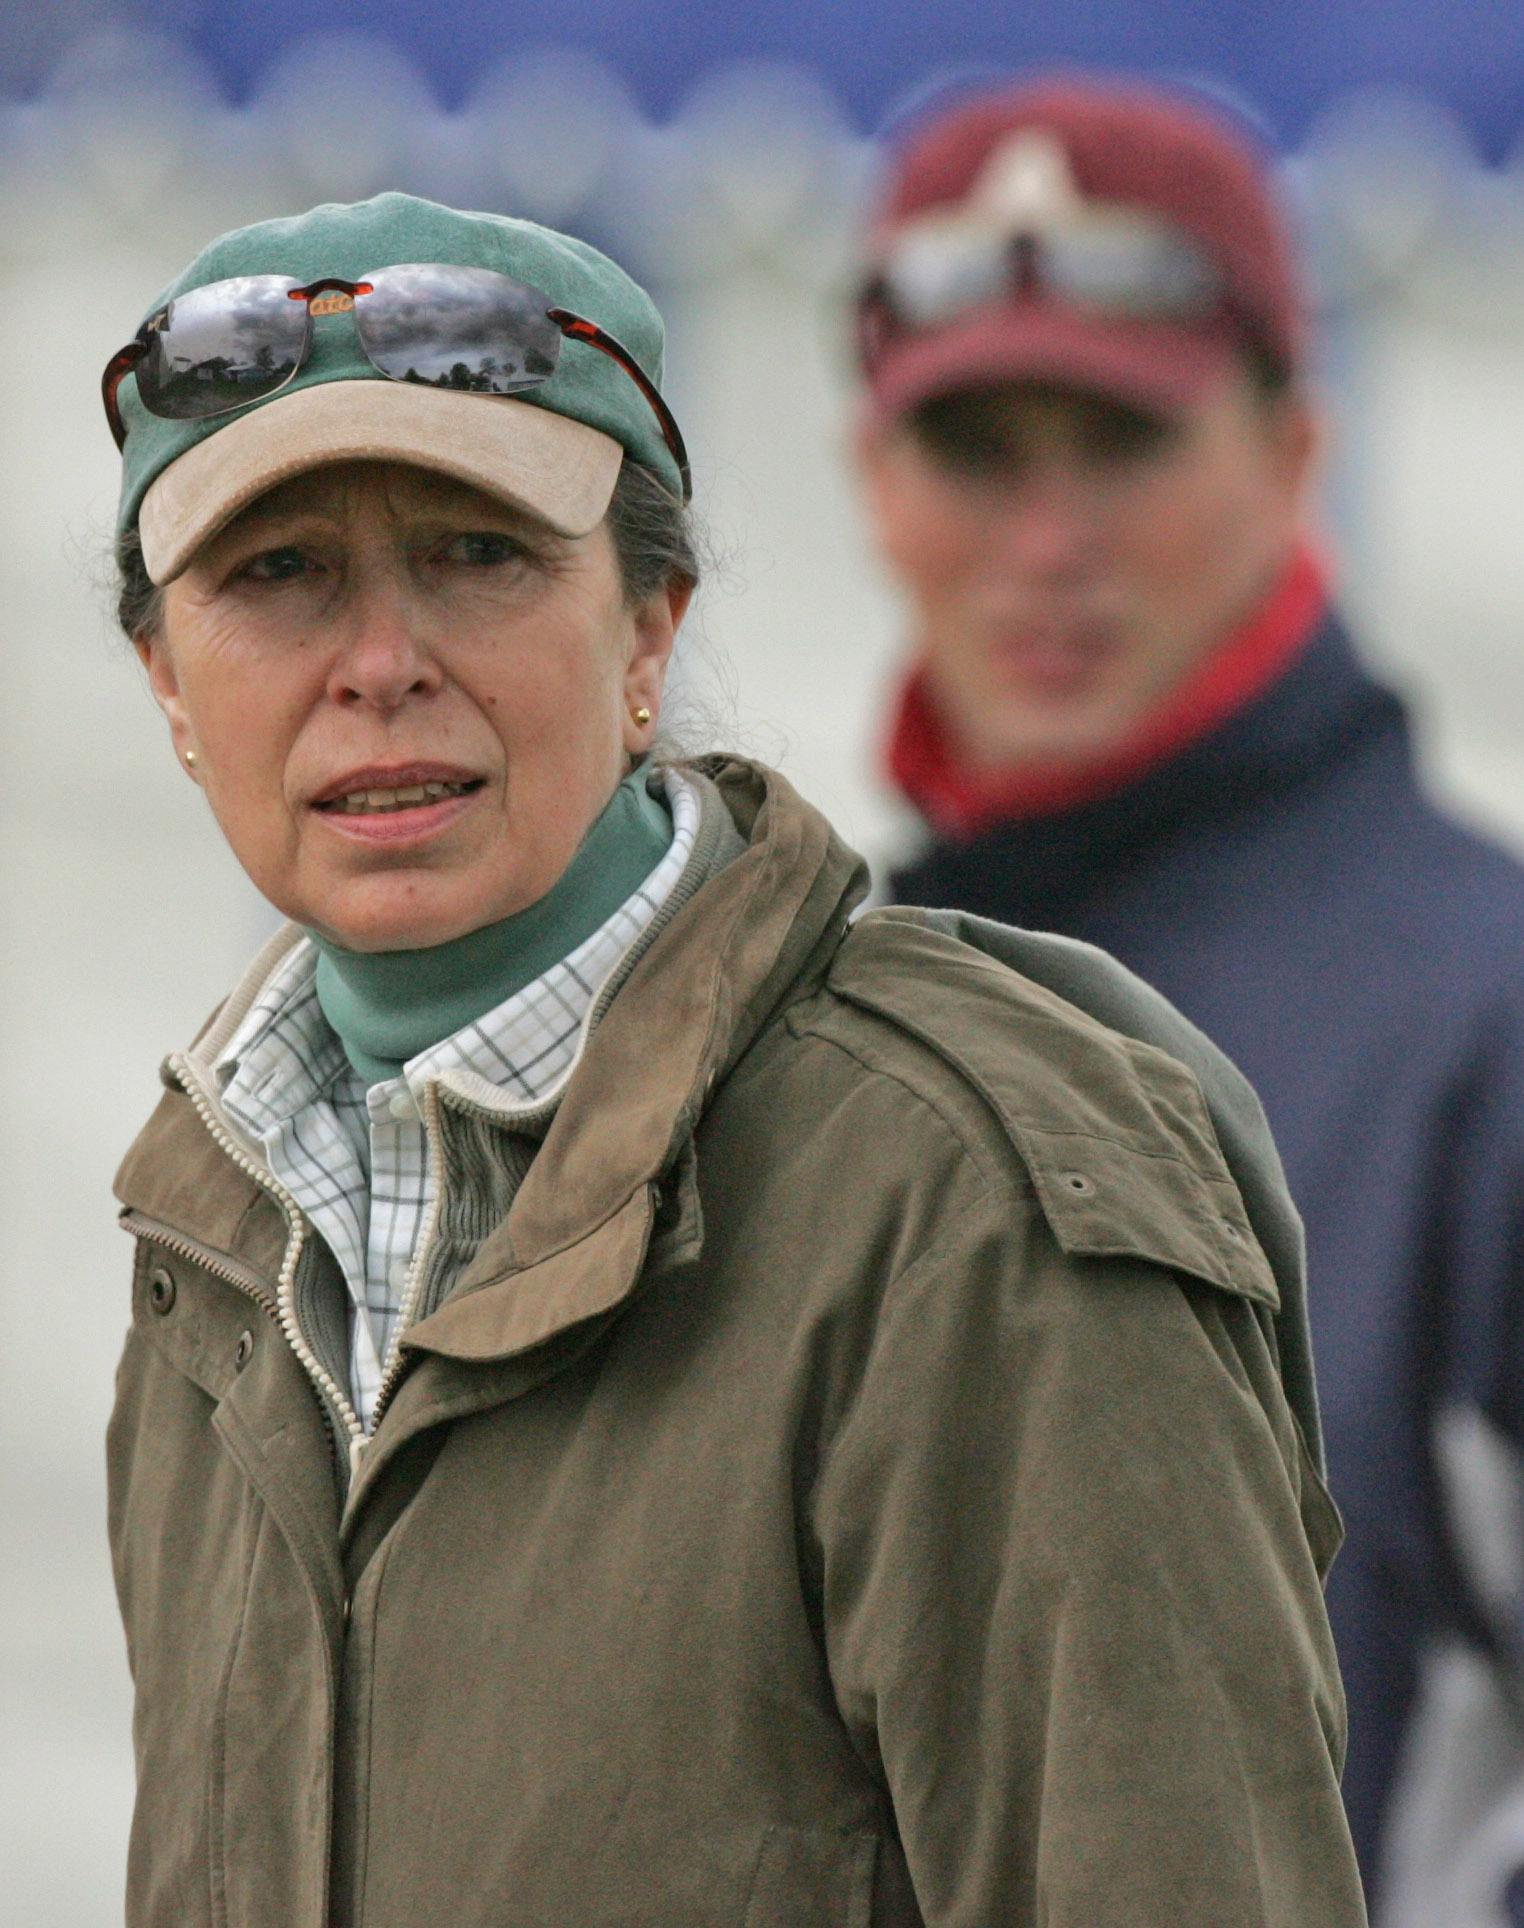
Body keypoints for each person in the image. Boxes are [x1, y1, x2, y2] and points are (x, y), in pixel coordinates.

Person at [102, 189, 1365, 1927]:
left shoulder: (978, 1216)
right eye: (277, 576)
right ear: (170, 687)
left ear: (648, 632)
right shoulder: (216, 1252)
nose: (380, 665)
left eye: (479, 552)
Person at [852, 72, 1524, 1915]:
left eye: (1125, 442)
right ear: (868, 477)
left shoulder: (1491, 1031)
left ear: (1298, 453)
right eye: (980, 448)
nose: (1047, 541)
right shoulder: (807, 1028)